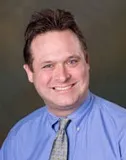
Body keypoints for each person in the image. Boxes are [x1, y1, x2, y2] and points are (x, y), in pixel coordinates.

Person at [0, 8, 126, 160]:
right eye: (48, 65)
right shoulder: (18, 140)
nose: (62, 76)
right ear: (30, 73)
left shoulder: (122, 131)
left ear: (86, 62)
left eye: (72, 61)